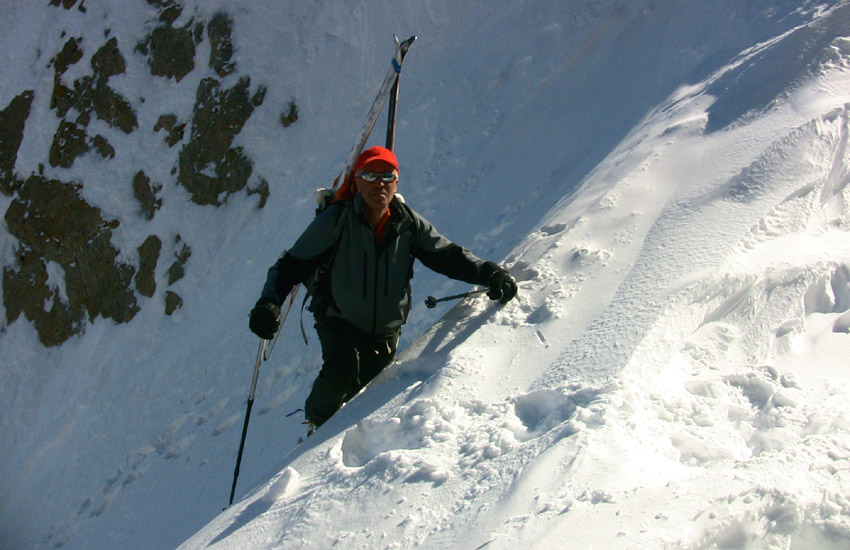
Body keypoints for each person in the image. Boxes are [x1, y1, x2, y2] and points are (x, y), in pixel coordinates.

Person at [249, 146, 517, 430]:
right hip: (338, 317)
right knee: (341, 372)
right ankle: (314, 423)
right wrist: (268, 303)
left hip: (385, 329)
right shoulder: (336, 221)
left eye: (387, 175)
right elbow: (290, 266)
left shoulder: (408, 223)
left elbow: (448, 256)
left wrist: (489, 273)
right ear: (357, 182)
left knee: (367, 394)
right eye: (370, 174)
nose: (380, 182)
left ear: (396, 182)